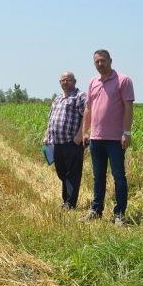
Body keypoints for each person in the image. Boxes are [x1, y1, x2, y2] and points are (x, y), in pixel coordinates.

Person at [80, 49, 135, 226]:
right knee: (98, 176)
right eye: (97, 62)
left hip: (115, 139)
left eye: (103, 61)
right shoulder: (92, 82)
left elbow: (128, 108)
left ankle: (119, 213)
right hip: (97, 139)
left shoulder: (123, 80)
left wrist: (126, 133)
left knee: (119, 176)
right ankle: (96, 210)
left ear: (110, 60)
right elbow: (88, 108)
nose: (100, 64)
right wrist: (84, 131)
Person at [42, 71, 86, 210]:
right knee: (62, 173)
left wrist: (80, 136)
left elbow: (88, 116)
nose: (65, 82)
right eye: (62, 80)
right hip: (57, 143)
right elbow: (51, 120)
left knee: (72, 174)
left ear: (75, 81)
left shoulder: (80, 96)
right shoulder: (57, 99)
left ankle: (70, 204)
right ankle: (66, 200)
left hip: (72, 142)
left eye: (68, 80)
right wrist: (46, 135)